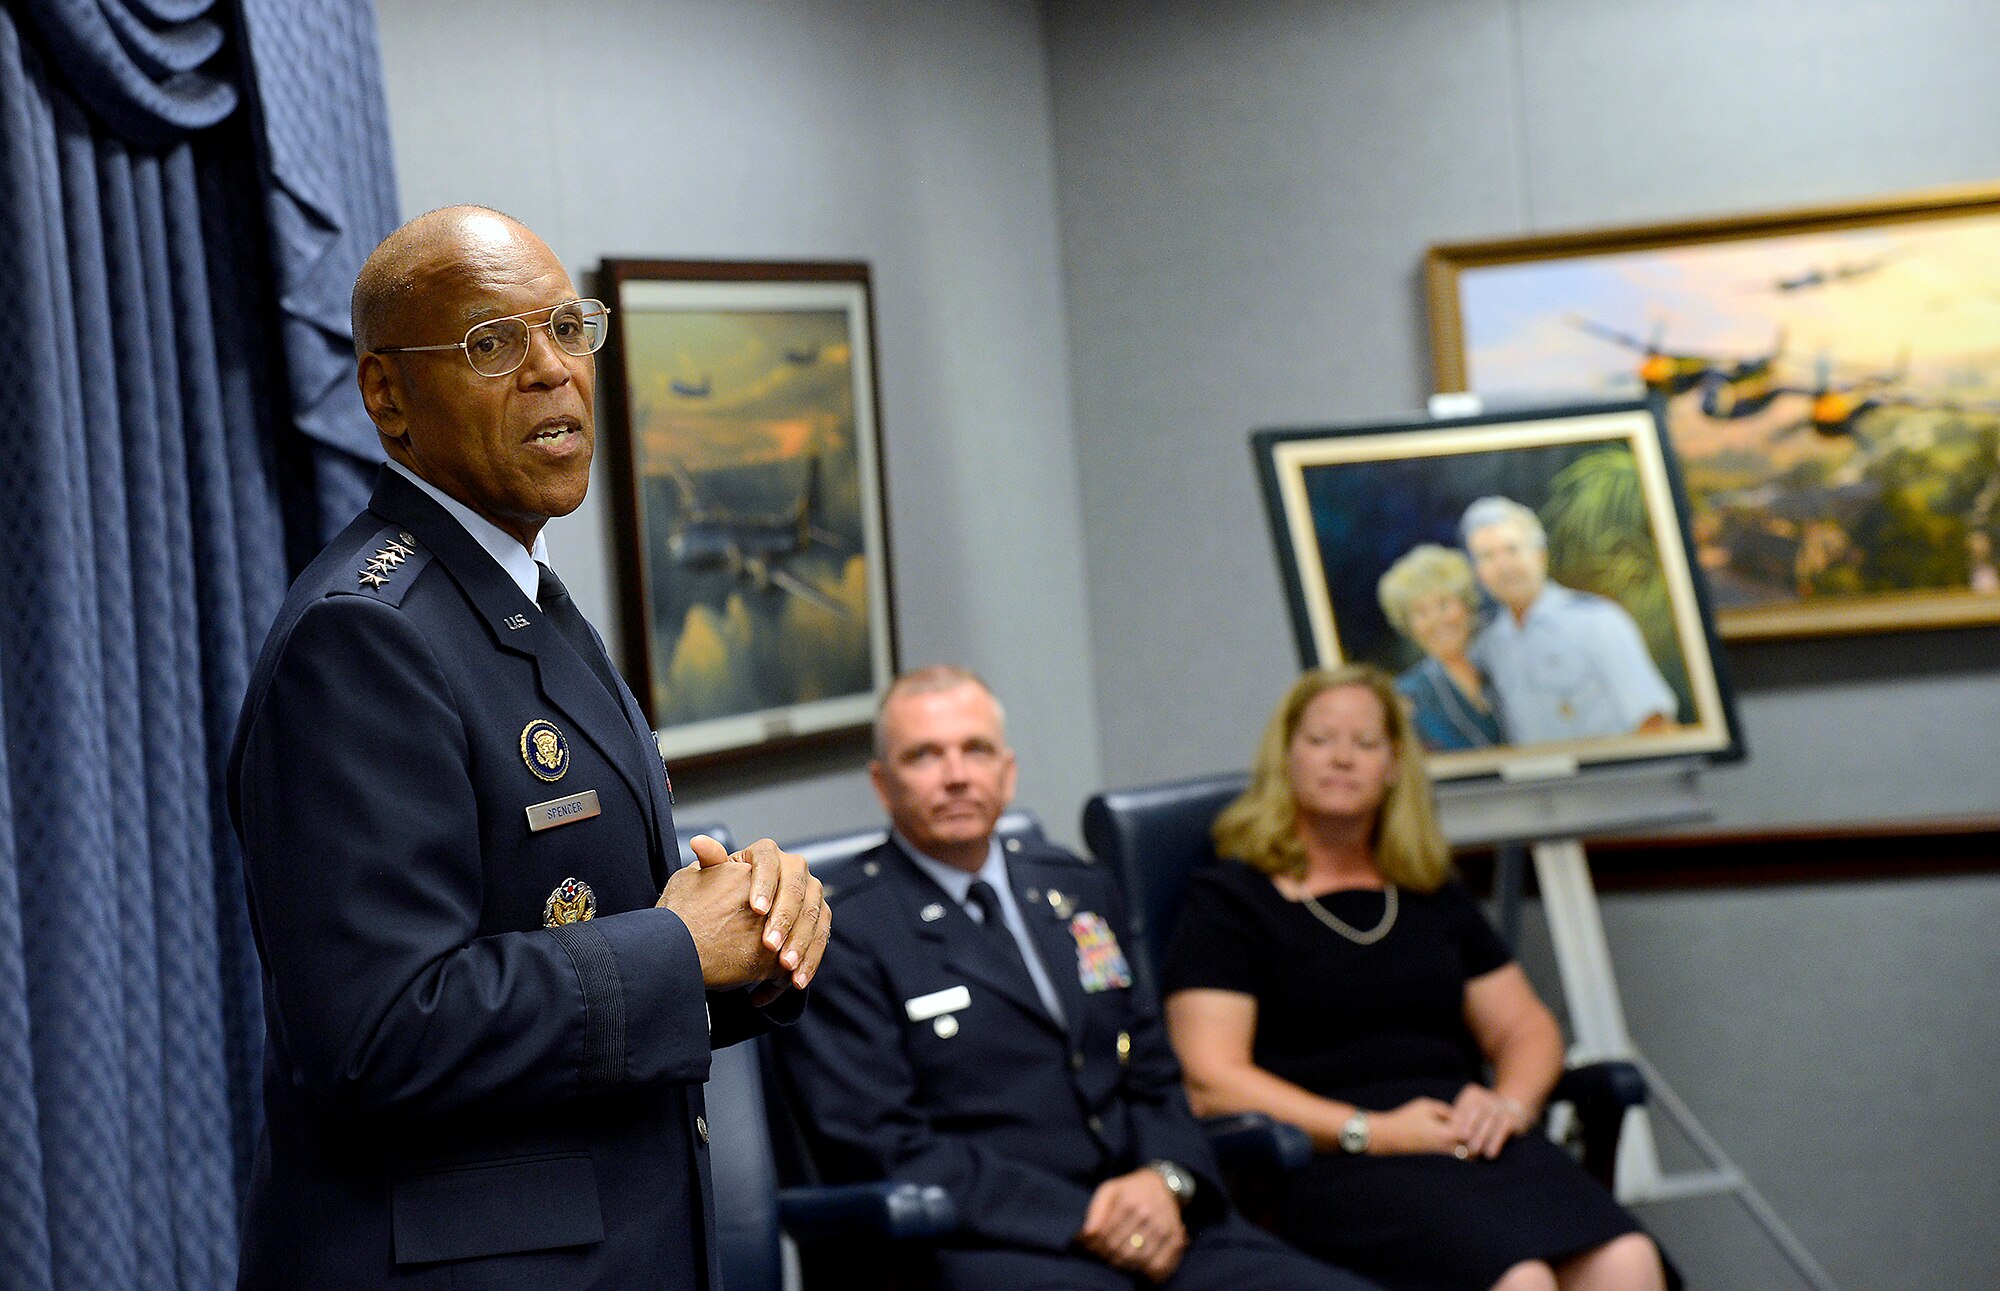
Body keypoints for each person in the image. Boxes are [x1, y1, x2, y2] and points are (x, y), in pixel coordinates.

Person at [227, 206, 832, 1291]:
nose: (552, 371)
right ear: (386, 396)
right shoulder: (364, 632)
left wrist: (754, 936)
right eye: (492, 343)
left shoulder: (522, 598)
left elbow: (593, 924)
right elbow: (374, 1033)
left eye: (566, 326)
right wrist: (676, 949)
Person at [771, 666, 1379, 1291]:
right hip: (991, 1245)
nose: (956, 775)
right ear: (882, 784)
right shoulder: (842, 929)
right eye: (924, 756)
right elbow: (882, 1145)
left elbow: (1153, 1075)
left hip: (1160, 1219)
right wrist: (1086, 1217)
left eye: (975, 750)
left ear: (1007, 771)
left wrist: (1165, 1180)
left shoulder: (1075, 887)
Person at [1162, 666, 1671, 1291]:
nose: (1342, 759)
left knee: (1626, 1260)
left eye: (1366, 743)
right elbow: (1211, 1080)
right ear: (1286, 755)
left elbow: (1524, 1028)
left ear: (1395, 766)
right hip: (1328, 1156)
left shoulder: (1429, 894)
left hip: (1463, 1138)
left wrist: (1509, 1103)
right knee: (1522, 1281)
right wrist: (1369, 1131)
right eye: (1321, 739)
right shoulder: (1231, 901)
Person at [1459, 497, 1676, 744]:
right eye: (1487, 556)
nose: (1503, 566)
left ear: (1540, 555)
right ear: (1478, 573)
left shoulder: (1598, 623)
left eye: (1512, 549)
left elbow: (1655, 723)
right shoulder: (1490, 645)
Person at [1376, 544, 1503, 751]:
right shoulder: (1407, 697)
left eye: (1443, 604)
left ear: (1466, 605)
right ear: (1409, 626)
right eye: (1421, 612)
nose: (1435, 621)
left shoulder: (1504, 664)